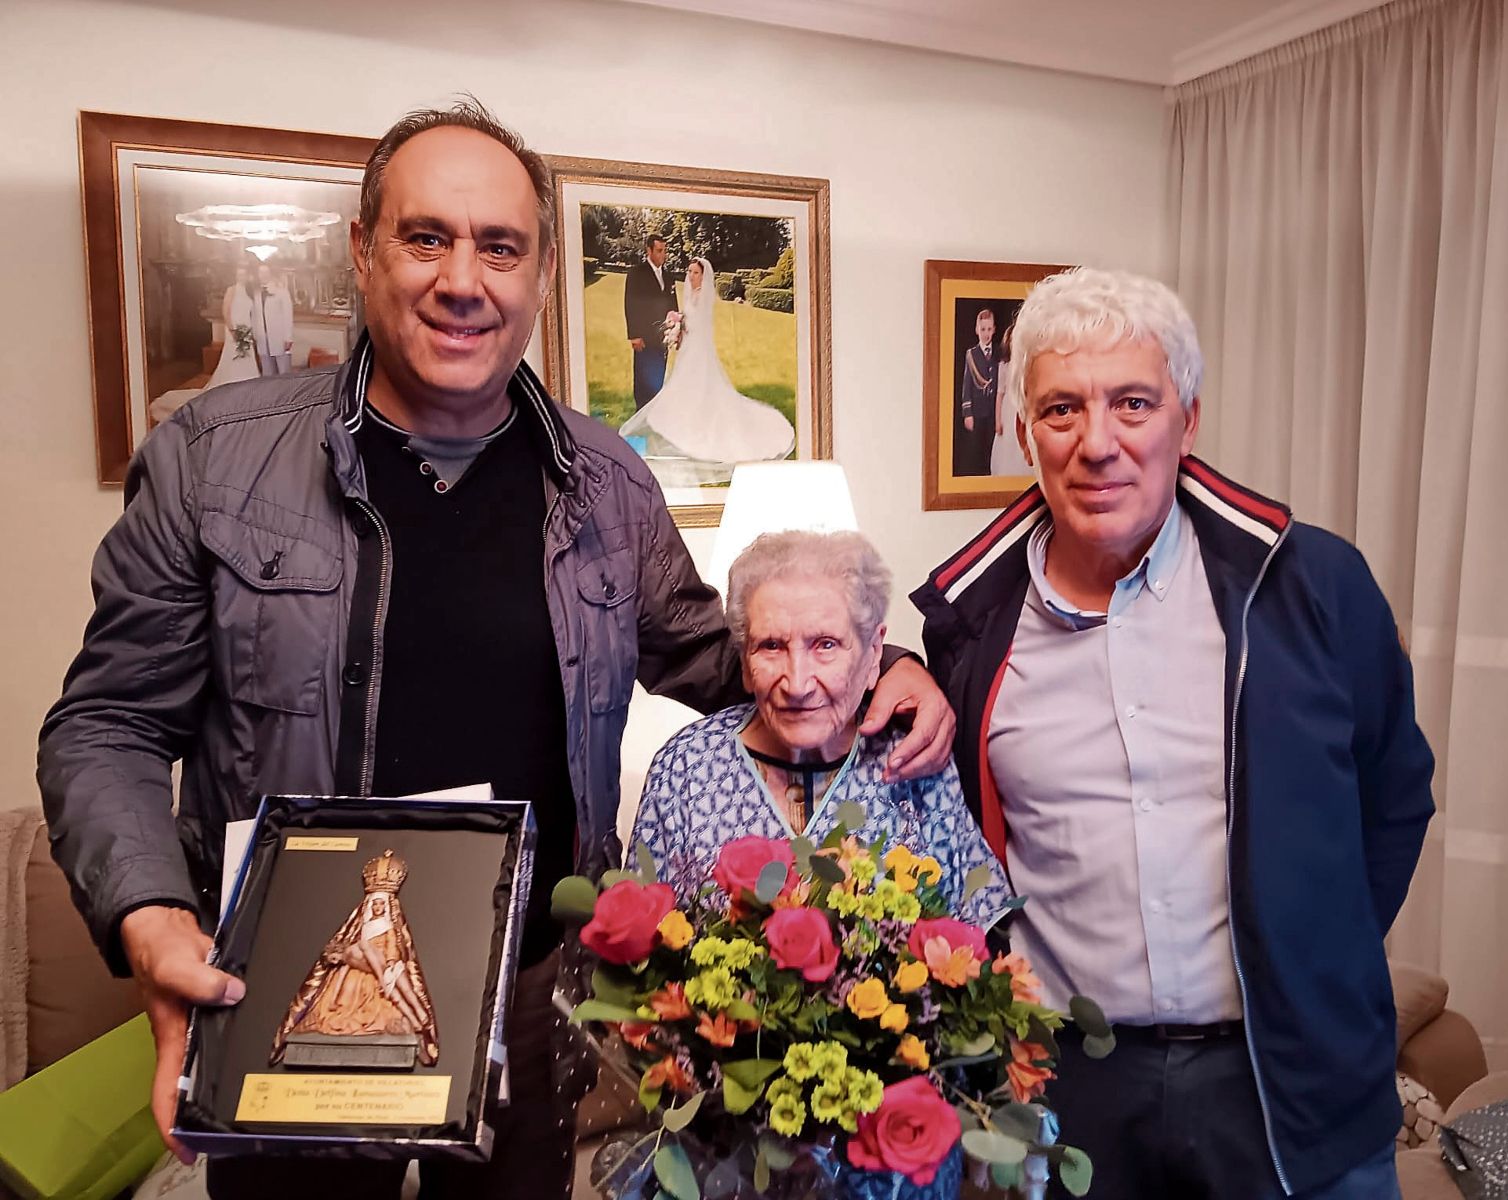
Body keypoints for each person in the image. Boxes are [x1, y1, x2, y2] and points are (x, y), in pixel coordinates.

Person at [38, 98, 955, 1200]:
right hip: (292, 993)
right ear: (363, 250)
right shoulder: (212, 460)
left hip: (531, 997)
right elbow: (106, 724)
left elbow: (718, 656)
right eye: (426, 237)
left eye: (501, 247)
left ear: (541, 272)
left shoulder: (607, 482)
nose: (462, 280)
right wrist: (150, 916)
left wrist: (885, 667)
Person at [912, 267, 1434, 1200]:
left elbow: (1393, 795)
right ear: (1025, 433)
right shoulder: (970, 626)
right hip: (1066, 1084)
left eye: (1133, 403)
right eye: (1062, 409)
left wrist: (1319, 955)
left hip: (1289, 1080)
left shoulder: (1310, 586)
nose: (1097, 444)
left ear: (1187, 421)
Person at [630, 530, 1011, 931]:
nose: (797, 684)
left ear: (873, 654)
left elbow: (974, 943)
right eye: (771, 646)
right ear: (744, 661)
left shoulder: (916, 760)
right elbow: (639, 948)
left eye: (825, 645)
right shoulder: (685, 768)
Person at [619, 256, 795, 485]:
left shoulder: (704, 295)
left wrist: (682, 326)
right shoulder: (689, 293)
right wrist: (678, 327)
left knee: (699, 384)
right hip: (688, 347)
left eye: (696, 273)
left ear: (703, 276)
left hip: (698, 348)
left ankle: (698, 420)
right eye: (690, 272)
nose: (691, 276)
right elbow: (686, 319)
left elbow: (700, 324)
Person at [271, 849, 439, 1068]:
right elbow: (347, 950)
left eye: (381, 904)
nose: (378, 907)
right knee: (338, 999)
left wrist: (390, 961)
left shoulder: (390, 927)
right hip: (360, 967)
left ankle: (413, 1016)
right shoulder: (359, 929)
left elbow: (393, 946)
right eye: (374, 904)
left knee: (394, 1001)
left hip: (383, 966)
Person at [624, 234, 675, 410]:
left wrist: (674, 330)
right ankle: (641, 413)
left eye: (664, 251)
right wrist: (634, 335)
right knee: (643, 381)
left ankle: (655, 413)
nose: (663, 255)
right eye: (659, 251)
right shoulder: (636, 274)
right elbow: (630, 304)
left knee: (658, 379)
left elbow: (672, 306)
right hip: (643, 338)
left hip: (663, 339)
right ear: (649, 250)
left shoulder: (668, 277)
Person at [954, 308, 997, 476]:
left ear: (994, 329)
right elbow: (967, 386)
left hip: (994, 411)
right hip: (977, 412)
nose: (986, 333)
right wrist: (967, 414)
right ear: (976, 330)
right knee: (977, 450)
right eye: (983, 329)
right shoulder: (971, 354)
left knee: (992, 450)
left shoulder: (999, 353)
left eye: (989, 329)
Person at [204, 266, 262, 392]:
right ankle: (231, 382)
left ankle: (248, 382)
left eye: (243, 275)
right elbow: (226, 311)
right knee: (234, 355)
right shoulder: (231, 290)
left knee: (247, 355)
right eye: (239, 275)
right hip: (234, 327)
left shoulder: (249, 291)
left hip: (247, 327)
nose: (241, 277)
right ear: (236, 276)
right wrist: (232, 330)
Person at [990, 320, 1030, 477]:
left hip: (1022, 405)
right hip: (1008, 409)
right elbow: (1000, 394)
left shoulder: (1027, 365)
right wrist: (998, 420)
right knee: (1007, 442)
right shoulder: (1004, 366)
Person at [249, 263, 294, 375]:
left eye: (265, 272)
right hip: (262, 338)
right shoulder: (256, 293)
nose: (263, 275)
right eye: (260, 272)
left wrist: (288, 337)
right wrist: (255, 334)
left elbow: (288, 315)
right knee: (267, 372)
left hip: (279, 337)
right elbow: (254, 315)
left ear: (270, 273)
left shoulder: (281, 291)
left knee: (284, 372)